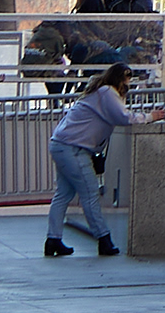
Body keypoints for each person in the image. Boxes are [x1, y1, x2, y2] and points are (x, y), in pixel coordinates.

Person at [45, 58, 152, 258]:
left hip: (61, 144)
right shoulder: (107, 93)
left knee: (63, 195)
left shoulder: (97, 92)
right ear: (120, 80)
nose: (128, 85)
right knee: (90, 193)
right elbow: (124, 117)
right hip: (75, 148)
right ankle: (103, 239)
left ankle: (53, 239)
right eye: (127, 81)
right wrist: (150, 117)